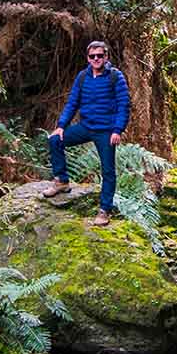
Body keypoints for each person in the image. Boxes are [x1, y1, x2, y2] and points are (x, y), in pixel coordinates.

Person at [42, 40, 130, 226]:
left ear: (106, 57)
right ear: (88, 58)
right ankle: (62, 181)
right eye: (92, 56)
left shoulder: (116, 77)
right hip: (86, 127)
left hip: (106, 131)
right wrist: (61, 125)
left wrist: (118, 130)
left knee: (108, 171)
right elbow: (72, 102)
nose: (96, 59)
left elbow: (124, 105)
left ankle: (105, 210)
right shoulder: (83, 77)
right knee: (55, 140)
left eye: (100, 55)